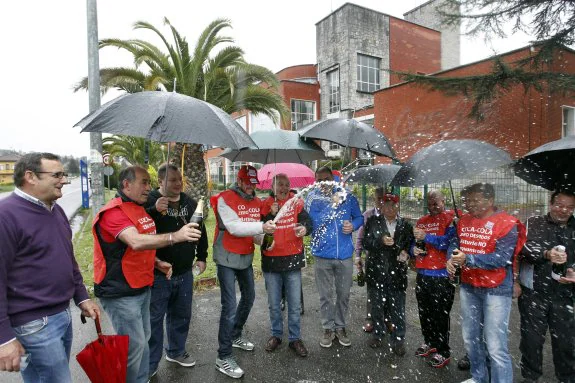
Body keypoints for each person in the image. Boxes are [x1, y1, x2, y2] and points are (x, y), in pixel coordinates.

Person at [93, 165, 201, 383]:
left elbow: (133, 251)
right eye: (143, 182)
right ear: (126, 184)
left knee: (143, 341)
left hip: (142, 285)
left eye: (149, 183)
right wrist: (175, 237)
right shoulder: (113, 212)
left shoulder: (139, 209)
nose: (148, 188)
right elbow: (135, 241)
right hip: (121, 291)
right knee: (135, 346)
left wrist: (157, 262)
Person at [0, 153, 100, 382]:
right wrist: (4, 339)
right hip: (33, 324)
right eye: (57, 175)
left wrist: (82, 297)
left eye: (64, 174)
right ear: (30, 177)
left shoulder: (55, 210)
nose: (64, 180)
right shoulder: (5, 216)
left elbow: (67, 258)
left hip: (62, 315)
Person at [447, 183, 525, 383]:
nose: (469, 204)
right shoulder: (463, 221)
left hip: (496, 289)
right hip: (469, 286)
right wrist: (451, 258)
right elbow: (455, 244)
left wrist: (468, 259)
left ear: (490, 200)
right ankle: (479, 377)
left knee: (495, 345)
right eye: (467, 200)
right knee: (471, 339)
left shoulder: (507, 223)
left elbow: (502, 258)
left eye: (475, 200)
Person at [210, 165, 276, 379]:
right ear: (238, 181)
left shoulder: (256, 202)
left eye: (253, 184)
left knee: (249, 297)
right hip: (226, 256)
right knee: (229, 305)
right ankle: (223, 355)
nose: (250, 187)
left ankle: (235, 334)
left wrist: (265, 241)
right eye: (246, 183)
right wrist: (262, 228)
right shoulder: (224, 198)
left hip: (245, 256)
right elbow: (235, 227)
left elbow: (253, 233)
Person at [144, 164, 209, 378]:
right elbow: (138, 227)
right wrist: (154, 209)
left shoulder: (189, 202)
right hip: (158, 273)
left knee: (181, 315)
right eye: (172, 180)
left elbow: (200, 229)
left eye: (180, 179)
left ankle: (176, 351)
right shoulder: (150, 201)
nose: (178, 183)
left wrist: (201, 256)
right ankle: (151, 364)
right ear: (160, 182)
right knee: (154, 321)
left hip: (183, 272)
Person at [517, 190, 575, 383]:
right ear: (550, 204)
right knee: (531, 340)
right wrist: (545, 254)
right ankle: (531, 377)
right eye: (559, 205)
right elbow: (522, 249)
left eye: (569, 207)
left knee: (566, 341)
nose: (563, 210)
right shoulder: (533, 223)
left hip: (566, 294)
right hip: (534, 292)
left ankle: (567, 377)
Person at [305, 166, 363, 348]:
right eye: (319, 180)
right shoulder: (312, 198)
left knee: (344, 294)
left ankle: (340, 326)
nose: (323, 184)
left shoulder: (347, 195)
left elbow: (360, 217)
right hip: (322, 254)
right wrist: (332, 205)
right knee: (325, 296)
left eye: (326, 179)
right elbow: (309, 223)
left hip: (344, 255)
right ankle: (328, 328)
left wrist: (352, 226)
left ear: (333, 178)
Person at [260, 174, 312, 357]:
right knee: (274, 304)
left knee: (295, 304)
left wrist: (304, 228)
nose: (283, 188)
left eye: (286, 184)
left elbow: (308, 222)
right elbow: (258, 229)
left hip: (293, 260)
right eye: (279, 184)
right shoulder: (265, 204)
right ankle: (276, 335)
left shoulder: (296, 202)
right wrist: (270, 214)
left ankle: (295, 338)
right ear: (272, 187)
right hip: (271, 262)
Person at [362, 193, 413, 356]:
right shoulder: (372, 222)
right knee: (377, 306)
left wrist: (405, 253)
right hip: (376, 272)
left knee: (397, 308)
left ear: (398, 206)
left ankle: (398, 339)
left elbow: (409, 245)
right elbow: (366, 243)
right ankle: (378, 334)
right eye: (386, 205)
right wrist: (380, 241)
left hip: (397, 274)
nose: (389, 208)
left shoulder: (405, 225)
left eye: (393, 205)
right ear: (381, 206)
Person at [412, 190, 456, 368]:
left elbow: (449, 242)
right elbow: (414, 242)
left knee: (440, 314)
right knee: (425, 312)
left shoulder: (450, 219)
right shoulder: (422, 221)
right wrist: (412, 250)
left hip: (442, 275)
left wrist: (427, 237)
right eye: (430, 203)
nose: (434, 206)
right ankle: (429, 342)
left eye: (436, 202)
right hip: (423, 274)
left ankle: (443, 350)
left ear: (443, 201)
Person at [355, 187, 386, 333]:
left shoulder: (391, 214)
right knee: (372, 290)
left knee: (388, 289)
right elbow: (360, 237)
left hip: (388, 260)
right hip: (371, 259)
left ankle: (386, 319)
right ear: (374, 199)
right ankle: (370, 318)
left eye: (383, 198)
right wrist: (357, 256)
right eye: (377, 198)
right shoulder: (367, 215)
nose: (380, 201)